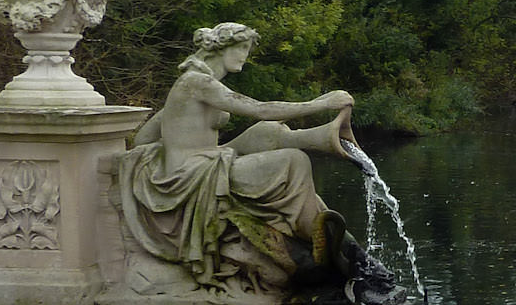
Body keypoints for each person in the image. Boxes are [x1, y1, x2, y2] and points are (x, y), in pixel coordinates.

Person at [117, 23, 356, 290]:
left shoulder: (190, 83)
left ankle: (326, 228)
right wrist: (319, 103)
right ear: (221, 47)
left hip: (203, 162)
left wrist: (175, 144)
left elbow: (143, 139)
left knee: (266, 133)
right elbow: (259, 109)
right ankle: (313, 234)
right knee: (294, 161)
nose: (245, 54)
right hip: (191, 174)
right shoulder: (198, 82)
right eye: (241, 47)